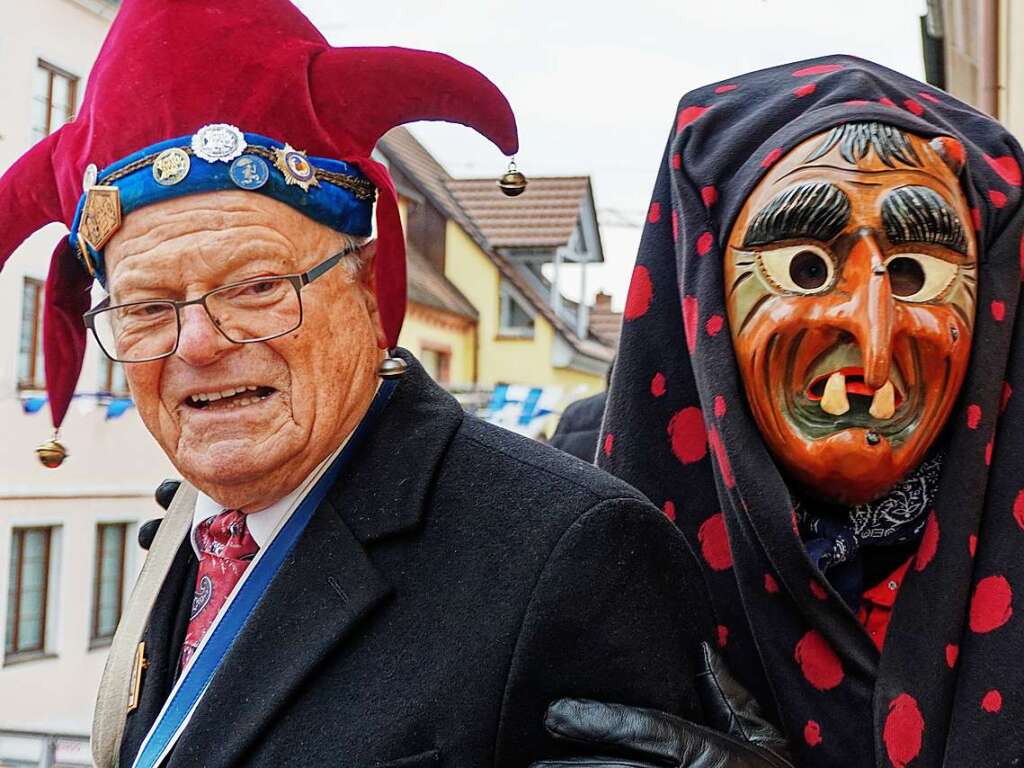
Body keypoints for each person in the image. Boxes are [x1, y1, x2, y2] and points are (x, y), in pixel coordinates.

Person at [0, 2, 750, 766]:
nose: (197, 342)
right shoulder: (193, 535)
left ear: (363, 287)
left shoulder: (573, 553)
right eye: (148, 307)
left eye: (257, 288)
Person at [544, 56, 1024, 767]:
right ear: (704, 297)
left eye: (918, 274)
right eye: (806, 268)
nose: (872, 331)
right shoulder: (573, 564)